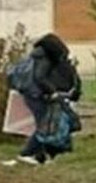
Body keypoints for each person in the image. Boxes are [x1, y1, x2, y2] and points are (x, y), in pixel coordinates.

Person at [16, 33, 81, 164]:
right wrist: (53, 91)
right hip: (36, 95)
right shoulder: (44, 59)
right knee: (44, 126)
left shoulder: (36, 55)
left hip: (31, 93)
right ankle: (27, 153)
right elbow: (40, 77)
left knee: (45, 125)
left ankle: (40, 156)